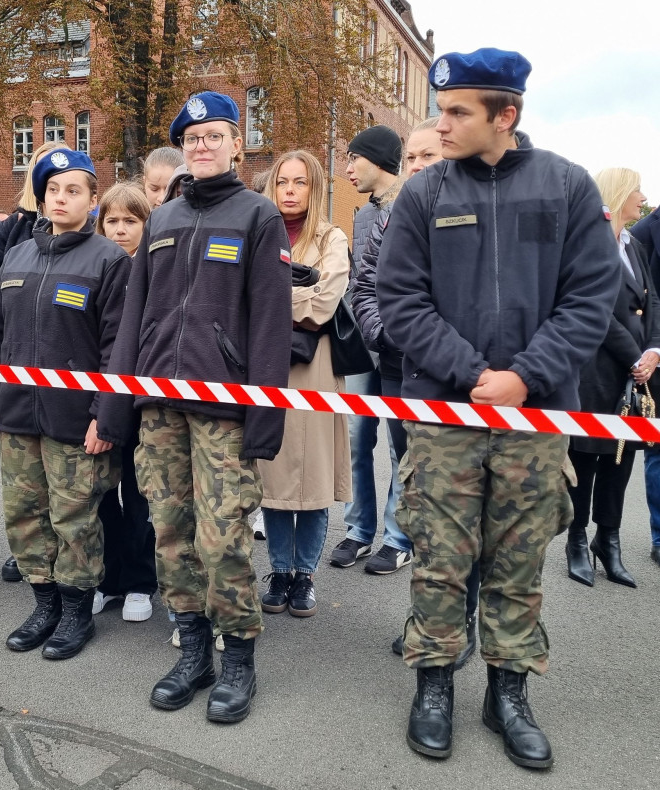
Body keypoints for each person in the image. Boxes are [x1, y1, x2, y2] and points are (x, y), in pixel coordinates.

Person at [378, 48, 621, 768]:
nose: (441, 124)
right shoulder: (423, 196)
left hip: (536, 419)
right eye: (442, 109)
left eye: (458, 112)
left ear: (504, 115)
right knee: (440, 560)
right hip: (446, 417)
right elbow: (400, 301)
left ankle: (507, 692)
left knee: (518, 563)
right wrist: (472, 373)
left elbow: (590, 300)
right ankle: (433, 684)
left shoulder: (567, 189)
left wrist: (525, 377)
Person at [97, 91, 292, 724]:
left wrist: (264, 415)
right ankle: (194, 648)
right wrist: (117, 402)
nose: (202, 146)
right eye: (192, 138)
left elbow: (270, 322)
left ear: (237, 141)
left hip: (224, 408)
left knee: (224, 536)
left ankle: (238, 657)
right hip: (160, 406)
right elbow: (136, 316)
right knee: (172, 532)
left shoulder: (257, 216)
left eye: (213, 135)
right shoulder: (165, 218)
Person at [0, 149, 129, 660]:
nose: (62, 199)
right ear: (41, 197)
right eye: (54, 190)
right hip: (17, 414)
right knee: (23, 514)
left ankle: (77, 609)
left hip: (75, 421)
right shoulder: (17, 257)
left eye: (74, 191)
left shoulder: (109, 260)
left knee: (74, 518)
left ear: (91, 200)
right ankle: (44, 603)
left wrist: (106, 414)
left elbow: (117, 348)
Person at [354, 118, 481, 665]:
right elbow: (366, 287)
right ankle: (428, 619)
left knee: (470, 509)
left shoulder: (479, 218)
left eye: (430, 156)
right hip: (401, 373)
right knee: (421, 499)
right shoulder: (389, 222)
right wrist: (392, 336)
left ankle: (466, 617)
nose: (419, 167)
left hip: (467, 385)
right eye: (411, 159)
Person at [257, 150, 350, 619]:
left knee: (311, 477)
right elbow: (243, 293)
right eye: (282, 182)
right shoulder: (260, 231)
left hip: (314, 370)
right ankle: (278, 569)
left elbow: (325, 302)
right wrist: (297, 290)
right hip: (265, 366)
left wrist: (274, 296)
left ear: (314, 189)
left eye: (300, 183)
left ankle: (305, 574)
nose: (289, 190)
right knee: (272, 475)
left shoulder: (331, 237)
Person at [0, 139, 66, 582]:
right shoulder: (16, 228)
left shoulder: (94, 239)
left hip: (64, 374)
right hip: (16, 358)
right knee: (25, 484)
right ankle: (30, 558)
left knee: (67, 487)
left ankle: (67, 569)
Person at [564, 169, 656, 589]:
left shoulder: (633, 244)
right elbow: (595, 308)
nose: (643, 197)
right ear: (620, 192)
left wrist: (654, 351)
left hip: (635, 376)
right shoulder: (588, 242)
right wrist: (636, 354)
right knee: (585, 458)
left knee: (620, 459)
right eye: (637, 188)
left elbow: (652, 301)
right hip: (594, 371)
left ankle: (609, 540)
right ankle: (577, 541)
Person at [331, 124, 413, 575]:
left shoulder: (419, 207)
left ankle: (397, 538)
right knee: (356, 439)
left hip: (404, 349)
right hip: (366, 346)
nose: (346, 168)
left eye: (353, 158)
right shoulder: (363, 216)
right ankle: (359, 531)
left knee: (403, 448)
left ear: (378, 159)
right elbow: (360, 284)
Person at [92, 182, 157, 622]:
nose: (119, 230)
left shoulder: (153, 268)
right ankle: (107, 577)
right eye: (111, 221)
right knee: (98, 495)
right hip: (96, 401)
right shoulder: (94, 265)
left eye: (130, 221)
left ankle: (139, 580)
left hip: (138, 402)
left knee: (138, 497)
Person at [629, 206, 660, 569]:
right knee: (657, 451)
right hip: (656, 355)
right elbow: (649, 300)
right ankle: (659, 536)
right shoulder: (647, 231)